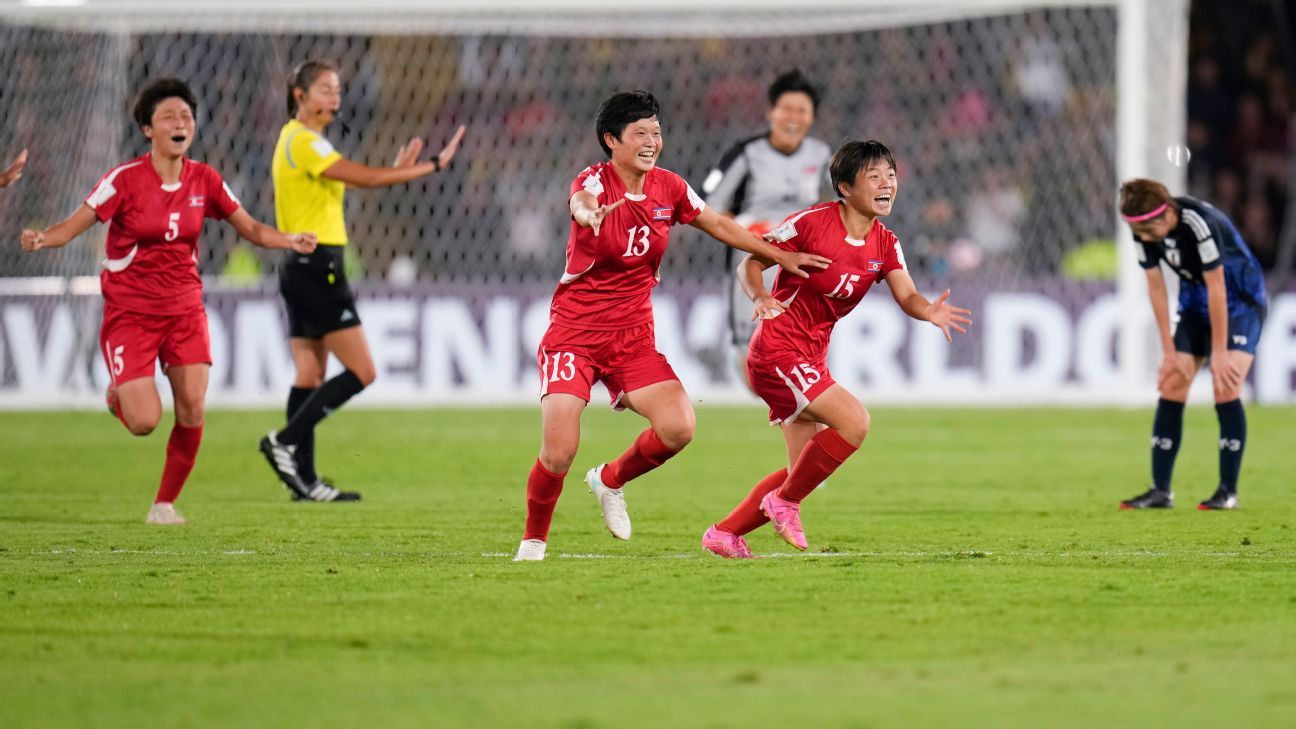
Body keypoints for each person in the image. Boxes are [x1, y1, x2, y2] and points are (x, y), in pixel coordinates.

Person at [514, 90, 831, 562]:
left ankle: (609, 480)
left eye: (656, 132)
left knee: (679, 427)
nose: (651, 141)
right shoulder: (595, 183)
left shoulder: (670, 187)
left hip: (633, 338)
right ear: (611, 140)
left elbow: (720, 226)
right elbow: (581, 200)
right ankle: (533, 543)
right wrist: (587, 214)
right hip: (574, 336)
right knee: (558, 452)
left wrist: (776, 254)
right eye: (639, 133)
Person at [19, 78, 317, 524]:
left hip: (184, 310)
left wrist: (289, 239)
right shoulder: (124, 180)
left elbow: (251, 228)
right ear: (147, 129)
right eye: (169, 117)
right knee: (143, 422)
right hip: (131, 314)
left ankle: (164, 504)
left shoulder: (205, 179)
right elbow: (76, 222)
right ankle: (119, 394)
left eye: (187, 117)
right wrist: (43, 238)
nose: (181, 124)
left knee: (193, 408)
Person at [701, 140, 971, 558]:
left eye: (891, 175)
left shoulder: (885, 243)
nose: (887, 184)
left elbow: (908, 296)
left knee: (800, 472)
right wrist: (759, 298)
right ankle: (782, 503)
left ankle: (724, 533)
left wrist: (928, 311)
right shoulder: (812, 223)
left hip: (809, 356)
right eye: (874, 176)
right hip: (777, 350)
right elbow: (750, 262)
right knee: (855, 423)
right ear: (845, 187)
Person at [256, 60, 466, 503]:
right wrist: (429, 166)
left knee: (310, 373)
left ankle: (306, 482)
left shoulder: (299, 142)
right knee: (363, 370)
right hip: (318, 267)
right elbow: (367, 178)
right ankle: (285, 442)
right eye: (325, 89)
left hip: (300, 266)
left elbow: (359, 181)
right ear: (300, 95)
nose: (335, 97)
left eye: (338, 89)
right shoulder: (304, 142)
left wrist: (394, 169)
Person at [1117, 179, 1268, 511]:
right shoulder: (1142, 228)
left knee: (1225, 384)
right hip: (1195, 302)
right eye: (1137, 231)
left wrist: (1221, 353)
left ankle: (1227, 491)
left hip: (1239, 300)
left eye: (1147, 229)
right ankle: (1160, 490)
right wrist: (1168, 352)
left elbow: (1218, 288)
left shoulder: (1199, 223)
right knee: (1173, 381)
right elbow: (1155, 286)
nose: (1143, 237)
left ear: (1168, 212)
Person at [701, 70, 832, 381]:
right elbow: (706, 207)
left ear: (811, 117)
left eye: (802, 111)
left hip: (800, 265)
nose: (793, 118)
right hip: (752, 260)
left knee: (801, 351)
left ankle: (794, 410)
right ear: (771, 112)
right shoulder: (745, 154)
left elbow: (845, 201)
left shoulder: (822, 155)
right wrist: (748, 234)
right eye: (786, 109)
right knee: (750, 353)